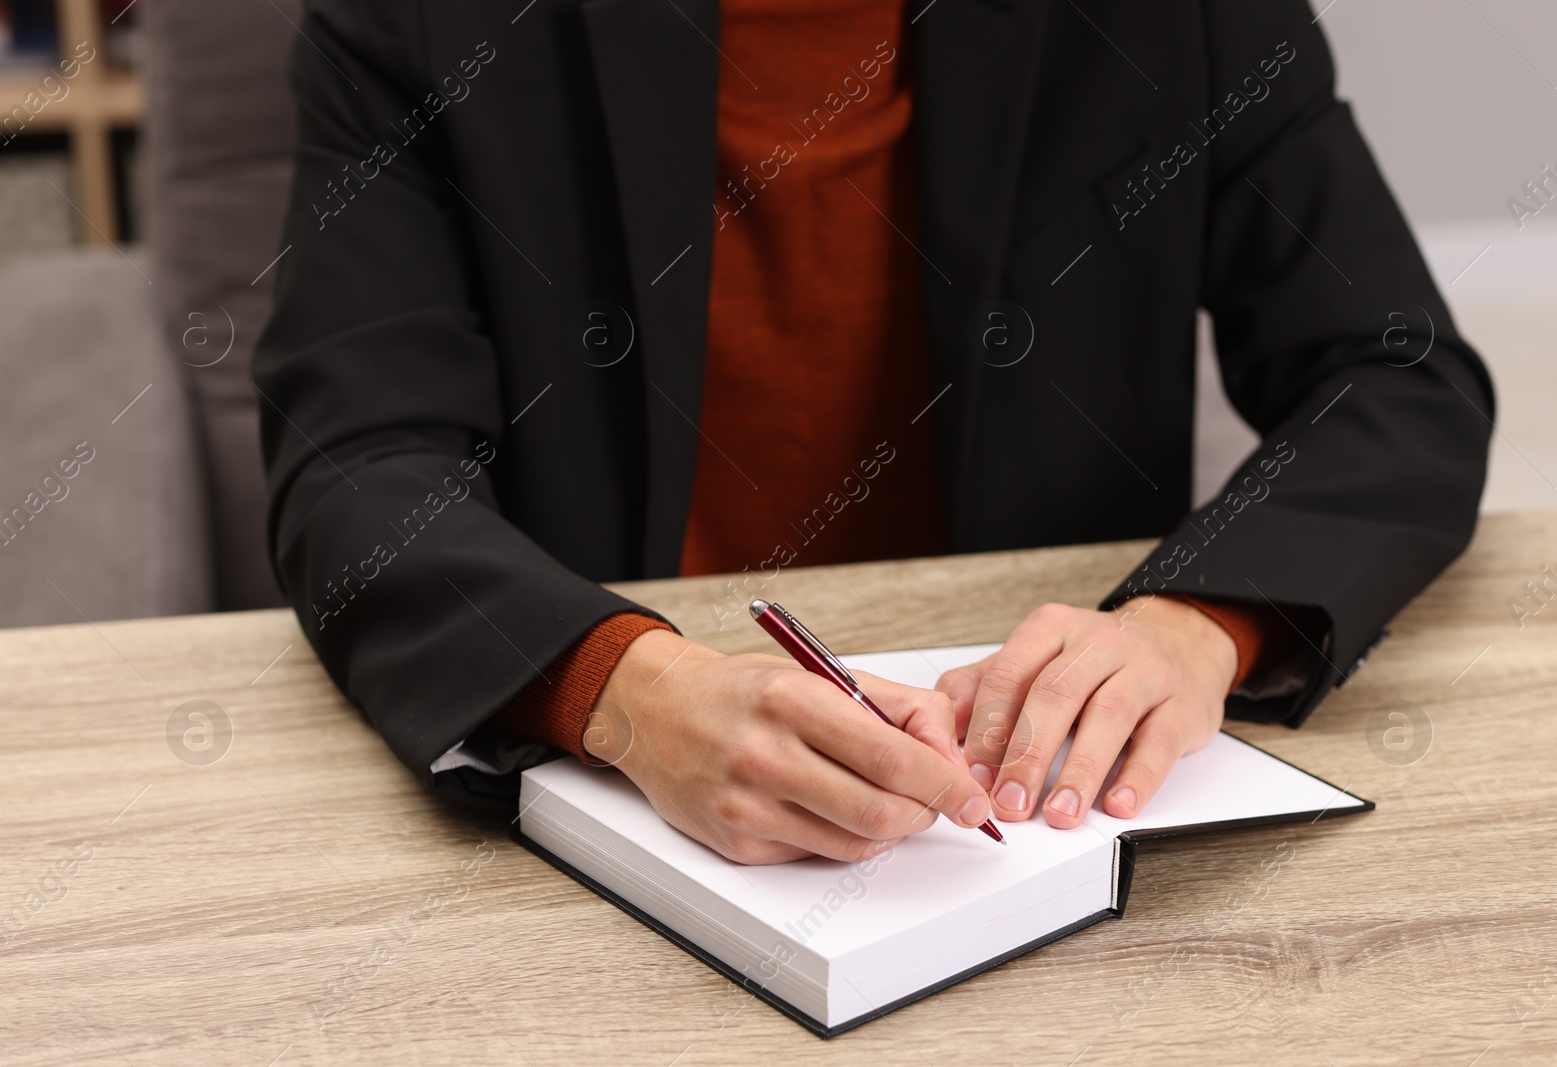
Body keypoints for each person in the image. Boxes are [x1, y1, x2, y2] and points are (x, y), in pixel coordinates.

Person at [255, 0, 1492, 864]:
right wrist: (623, 692)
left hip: (1032, 818)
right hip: (620, 789)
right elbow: (355, 462)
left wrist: (1198, 623)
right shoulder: (411, 17)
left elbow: (1395, 375)